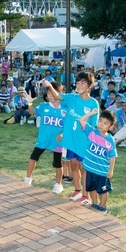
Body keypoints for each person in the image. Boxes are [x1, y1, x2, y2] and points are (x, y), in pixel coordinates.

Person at [43, 72, 99, 206]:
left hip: (83, 142)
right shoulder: (72, 98)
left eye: (83, 83)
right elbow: (57, 96)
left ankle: (86, 195)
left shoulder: (93, 103)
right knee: (73, 165)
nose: (79, 85)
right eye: (78, 82)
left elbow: (94, 126)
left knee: (83, 168)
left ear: (89, 86)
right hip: (70, 140)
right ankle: (77, 190)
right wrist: (50, 85)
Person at [23, 82, 66, 194]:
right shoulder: (44, 106)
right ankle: (27, 179)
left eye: (52, 93)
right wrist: (29, 103)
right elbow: (33, 112)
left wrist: (62, 134)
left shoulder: (65, 109)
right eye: (48, 94)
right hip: (43, 139)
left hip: (57, 142)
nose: (50, 96)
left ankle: (58, 184)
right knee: (33, 157)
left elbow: (68, 125)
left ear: (59, 93)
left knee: (57, 163)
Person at [78, 109, 117, 212]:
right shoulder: (91, 132)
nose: (101, 124)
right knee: (92, 188)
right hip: (90, 168)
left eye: (105, 123)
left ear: (110, 127)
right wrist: (90, 113)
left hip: (102, 171)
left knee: (103, 190)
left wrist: (111, 169)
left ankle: (102, 206)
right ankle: (95, 204)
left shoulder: (110, 140)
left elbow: (112, 156)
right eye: (100, 121)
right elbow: (81, 120)